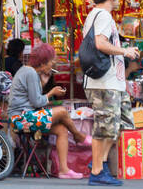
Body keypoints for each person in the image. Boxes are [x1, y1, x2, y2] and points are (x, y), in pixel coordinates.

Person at [82, 0, 140, 187]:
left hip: (112, 83)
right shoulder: (103, 16)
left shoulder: (97, 15)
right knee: (105, 126)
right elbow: (100, 43)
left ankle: (99, 162)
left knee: (118, 124)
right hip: (103, 83)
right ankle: (98, 170)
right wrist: (125, 51)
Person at [8, 41, 87, 179]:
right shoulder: (30, 73)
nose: (53, 66)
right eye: (51, 62)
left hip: (24, 117)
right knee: (62, 111)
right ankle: (78, 136)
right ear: (43, 62)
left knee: (61, 130)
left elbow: (36, 100)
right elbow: (37, 101)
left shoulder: (28, 71)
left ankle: (64, 170)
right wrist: (52, 92)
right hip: (22, 119)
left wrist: (44, 85)